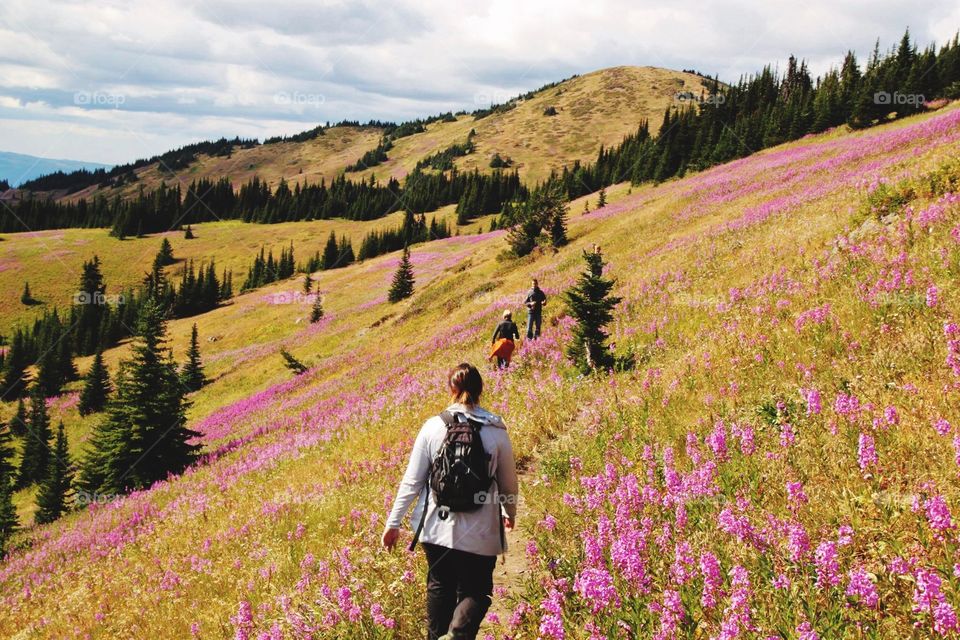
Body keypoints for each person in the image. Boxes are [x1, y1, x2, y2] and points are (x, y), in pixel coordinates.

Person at [382, 363, 519, 640]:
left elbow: (413, 480)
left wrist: (393, 522)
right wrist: (509, 509)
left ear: (451, 389)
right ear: (480, 390)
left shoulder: (433, 427)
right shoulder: (496, 429)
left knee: (440, 586)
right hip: (480, 530)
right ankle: (458, 634)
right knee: (476, 590)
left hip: (435, 526)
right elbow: (508, 482)